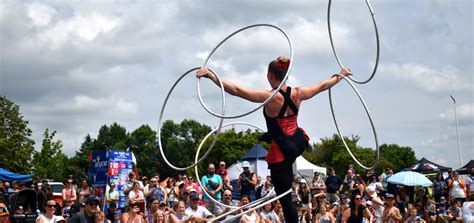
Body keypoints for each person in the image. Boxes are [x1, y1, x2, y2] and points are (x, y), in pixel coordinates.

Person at [197, 56, 352, 222]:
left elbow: (236, 90)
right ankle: (279, 139)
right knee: (272, 134)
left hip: (283, 150)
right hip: (298, 140)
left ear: (270, 75)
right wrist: (340, 75)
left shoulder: (269, 97)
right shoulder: (298, 93)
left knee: (285, 199)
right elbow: (323, 85)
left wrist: (211, 75)